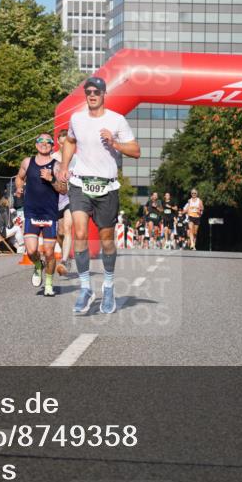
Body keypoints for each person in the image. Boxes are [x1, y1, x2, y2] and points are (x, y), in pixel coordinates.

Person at [58, 76, 140, 314]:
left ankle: (108, 286)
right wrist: (64, 166)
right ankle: (85, 288)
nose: (92, 95)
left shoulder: (117, 120)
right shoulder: (77, 118)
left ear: (104, 94)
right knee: (80, 232)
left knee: (106, 241)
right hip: (80, 184)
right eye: (88, 91)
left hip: (107, 186)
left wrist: (114, 143)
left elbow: (136, 151)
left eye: (96, 91)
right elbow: (70, 142)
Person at [15, 132, 67, 297]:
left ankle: (49, 284)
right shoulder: (27, 162)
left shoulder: (57, 165)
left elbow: (64, 189)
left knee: (50, 252)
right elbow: (19, 177)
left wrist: (51, 179)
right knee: (31, 251)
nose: (44, 143)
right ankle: (38, 265)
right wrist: (19, 187)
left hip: (49, 214)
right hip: (31, 212)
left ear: (53, 145)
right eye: (40, 141)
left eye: (48, 141)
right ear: (36, 144)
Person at [52, 129, 73, 276]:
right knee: (59, 234)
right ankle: (65, 250)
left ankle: (64, 260)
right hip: (54, 198)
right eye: (62, 142)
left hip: (70, 197)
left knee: (67, 228)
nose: (64, 144)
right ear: (58, 143)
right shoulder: (52, 158)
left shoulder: (75, 158)